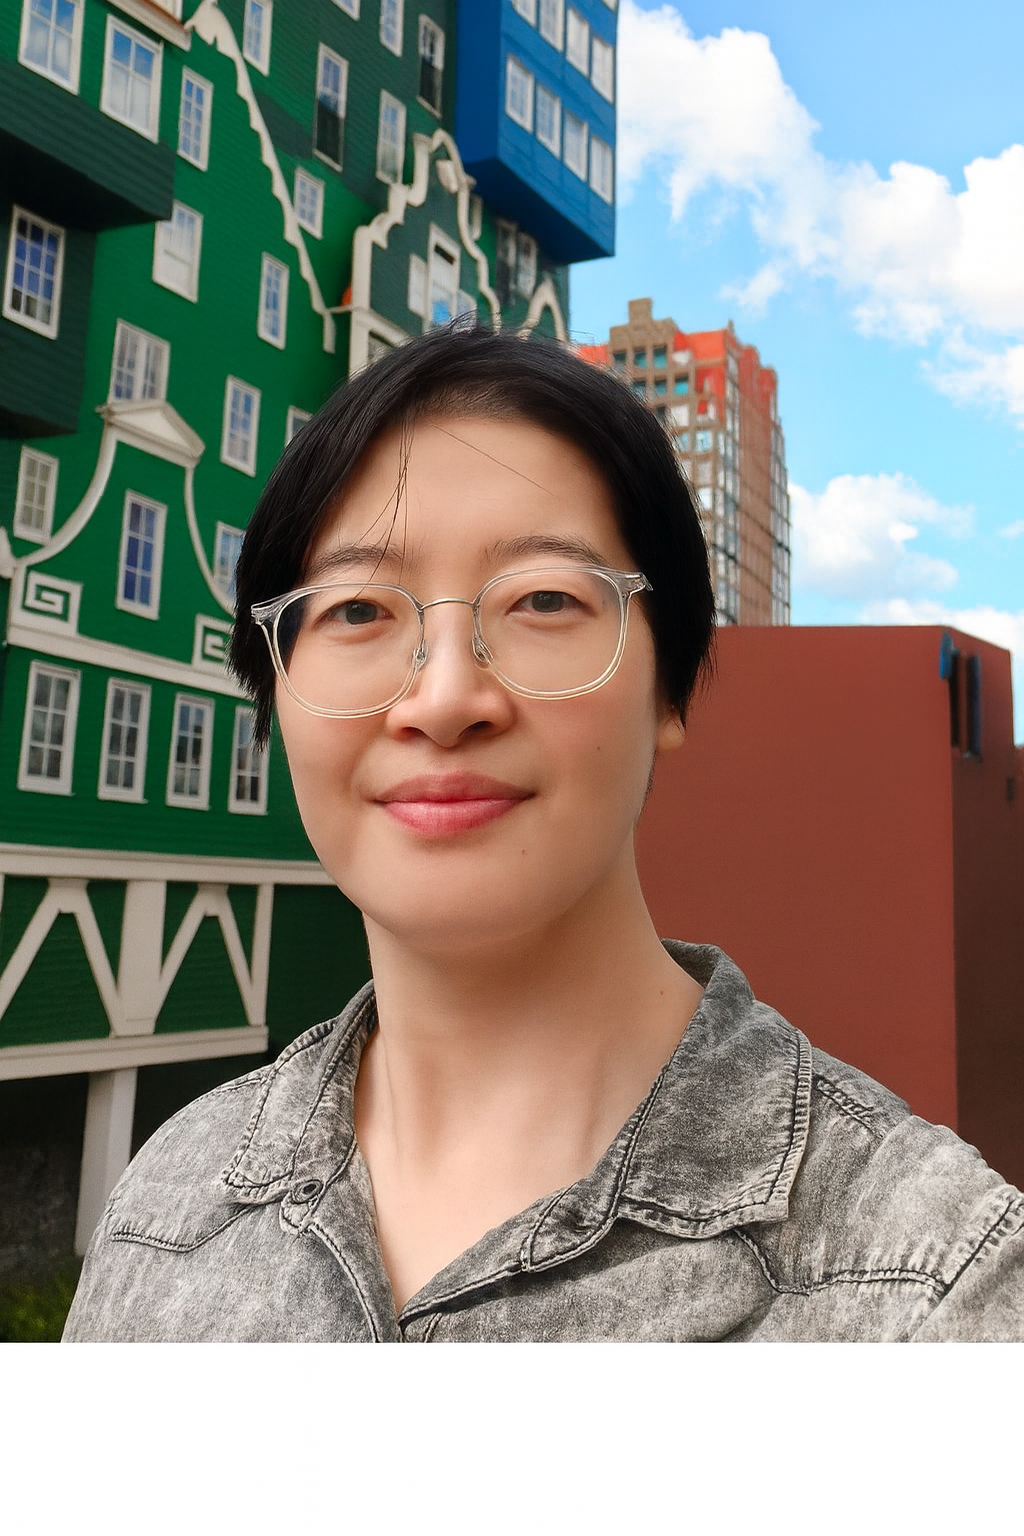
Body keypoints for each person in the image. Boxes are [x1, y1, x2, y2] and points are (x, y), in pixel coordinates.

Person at [64, 327, 1024, 1341]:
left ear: (670, 685)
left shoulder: (931, 1288)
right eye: (354, 610)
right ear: (276, 690)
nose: (442, 698)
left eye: (544, 600)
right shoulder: (165, 1205)